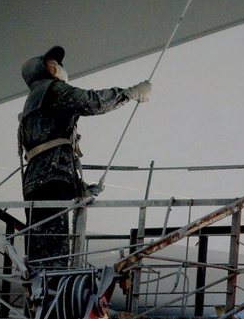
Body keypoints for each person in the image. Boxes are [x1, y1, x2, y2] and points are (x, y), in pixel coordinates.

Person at [17, 46, 152, 268]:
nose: (60, 67)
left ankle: (43, 289)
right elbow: (90, 102)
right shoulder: (52, 90)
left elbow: (46, 153)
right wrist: (129, 93)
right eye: (55, 64)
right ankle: (54, 290)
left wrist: (78, 188)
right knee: (55, 251)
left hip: (35, 183)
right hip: (52, 182)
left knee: (40, 247)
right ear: (45, 71)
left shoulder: (31, 104)